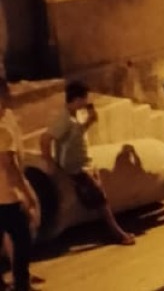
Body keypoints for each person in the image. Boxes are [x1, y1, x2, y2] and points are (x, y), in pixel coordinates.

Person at [40, 81, 135, 245]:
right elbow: (45, 139)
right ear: (76, 99)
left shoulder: (72, 117)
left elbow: (74, 136)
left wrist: (89, 122)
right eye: (84, 99)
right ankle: (119, 234)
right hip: (74, 169)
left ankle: (113, 232)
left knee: (98, 197)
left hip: (82, 165)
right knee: (100, 199)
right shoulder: (64, 119)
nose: (86, 103)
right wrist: (50, 163)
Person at [0, 80, 38, 291]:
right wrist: (27, 193)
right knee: (22, 239)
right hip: (7, 196)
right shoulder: (3, 131)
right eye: (6, 94)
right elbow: (10, 167)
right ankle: (22, 284)